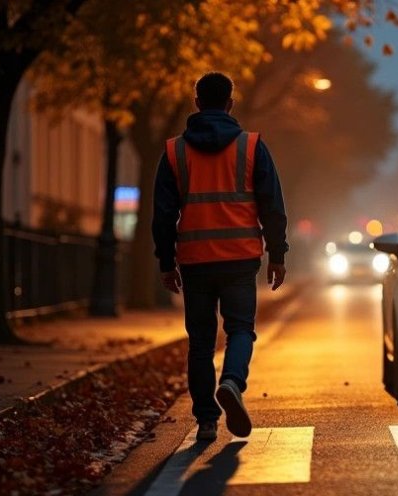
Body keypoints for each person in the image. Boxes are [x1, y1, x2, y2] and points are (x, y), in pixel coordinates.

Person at [152, 72, 288, 441]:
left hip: (195, 260)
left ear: (196, 103)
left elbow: (162, 214)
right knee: (240, 329)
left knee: (199, 341)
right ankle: (231, 381)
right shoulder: (251, 146)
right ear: (231, 103)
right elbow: (272, 204)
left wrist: (166, 262)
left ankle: (207, 421)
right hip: (240, 258)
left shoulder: (174, 151)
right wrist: (278, 254)